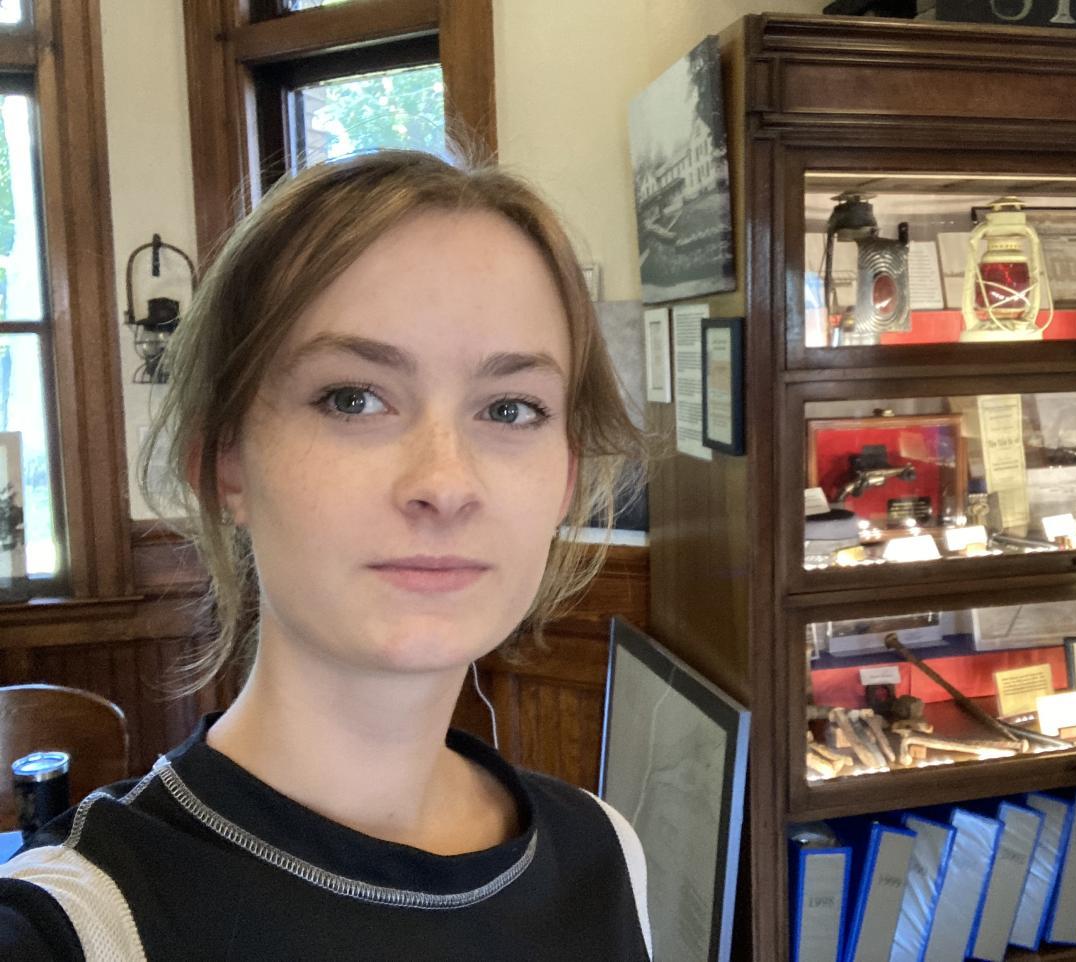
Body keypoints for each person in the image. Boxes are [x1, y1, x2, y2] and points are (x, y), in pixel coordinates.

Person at [0, 150, 652, 960]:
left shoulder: (605, 852)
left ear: (566, 478)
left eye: (511, 409)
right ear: (225, 462)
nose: (445, 484)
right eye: (354, 399)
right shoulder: (81, 926)